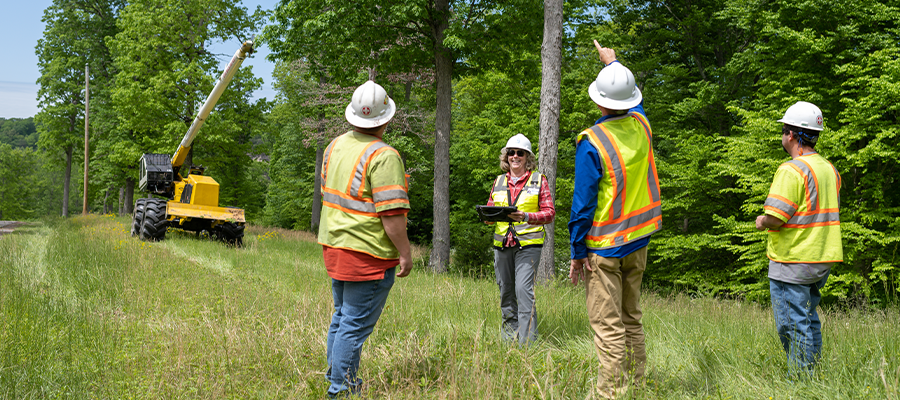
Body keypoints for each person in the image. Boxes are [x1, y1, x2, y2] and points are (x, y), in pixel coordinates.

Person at [567, 41, 662, 399]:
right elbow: (631, 100)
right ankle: (638, 387)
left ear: (598, 101)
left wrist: (577, 253)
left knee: (608, 326)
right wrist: (614, 62)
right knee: (631, 317)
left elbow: (582, 206)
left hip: (604, 249)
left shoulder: (593, 142)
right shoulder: (642, 125)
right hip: (639, 241)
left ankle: (611, 394)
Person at [318, 80, 412, 398]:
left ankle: (336, 376)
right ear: (385, 119)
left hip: (334, 245)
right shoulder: (384, 156)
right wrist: (405, 253)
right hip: (368, 253)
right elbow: (392, 216)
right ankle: (340, 388)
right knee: (354, 324)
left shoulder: (334, 146)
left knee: (342, 315)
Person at [755, 101, 842, 376]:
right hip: (822, 258)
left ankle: (801, 381)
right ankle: (813, 377)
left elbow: (777, 217)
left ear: (791, 135)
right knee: (808, 318)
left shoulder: (791, 170)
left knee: (792, 324)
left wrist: (761, 221)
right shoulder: (830, 169)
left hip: (793, 259)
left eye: (783, 131)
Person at [484, 133, 555, 344]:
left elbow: (549, 213)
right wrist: (488, 216)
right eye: (511, 153)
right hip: (502, 244)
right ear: (506, 157)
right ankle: (509, 339)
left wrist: (526, 216)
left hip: (528, 245)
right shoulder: (498, 181)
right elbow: (490, 209)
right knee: (506, 291)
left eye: (520, 153)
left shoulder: (539, 180)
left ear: (527, 157)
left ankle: (527, 343)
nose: (515, 156)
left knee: (523, 291)